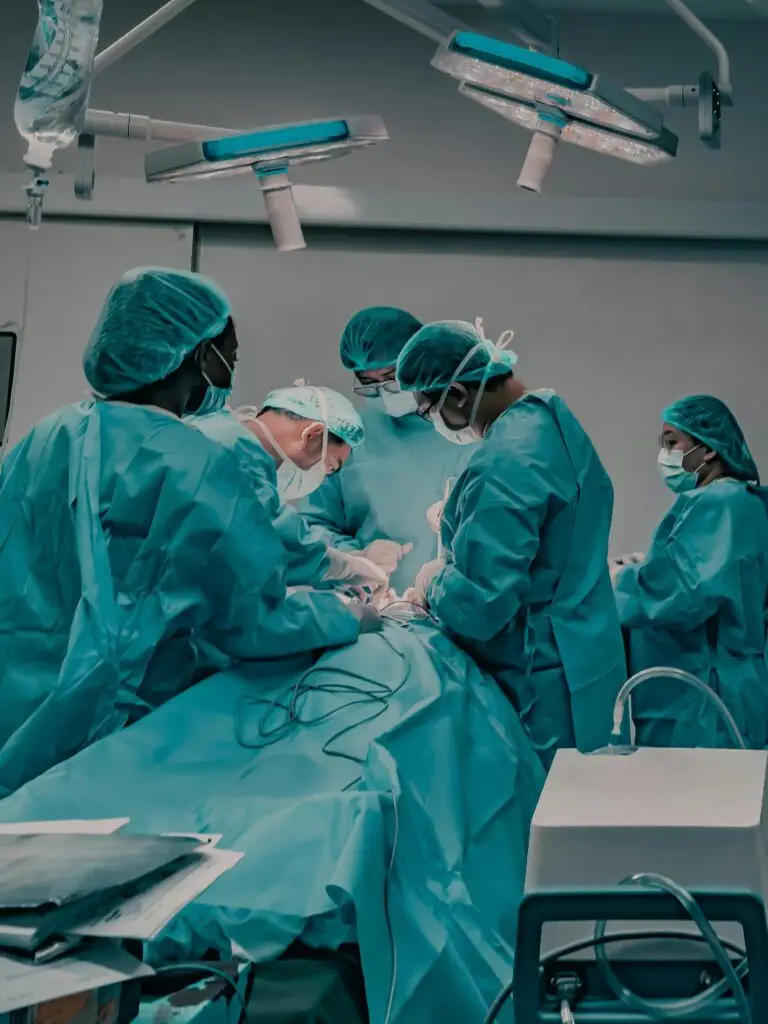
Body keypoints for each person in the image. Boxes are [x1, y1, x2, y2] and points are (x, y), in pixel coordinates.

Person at [0, 266, 379, 797]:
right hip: (109, 718)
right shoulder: (192, 461)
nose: (228, 377)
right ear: (201, 357)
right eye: (229, 358)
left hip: (14, 697)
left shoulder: (47, 434)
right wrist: (344, 616)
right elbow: (249, 622)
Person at [395, 318, 626, 768]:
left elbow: (483, 606)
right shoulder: (553, 421)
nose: (434, 422)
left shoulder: (502, 463)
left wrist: (433, 579)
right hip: (589, 658)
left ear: (458, 395)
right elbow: (551, 529)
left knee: (540, 825)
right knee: (589, 815)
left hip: (539, 682)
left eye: (429, 411)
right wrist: (462, 517)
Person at [613, 395, 768, 748]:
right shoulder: (736, 502)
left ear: (709, 448)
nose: (665, 455)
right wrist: (643, 568)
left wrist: (620, 580)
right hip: (710, 690)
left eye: (672, 443)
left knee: (699, 798)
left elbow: (683, 593)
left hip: (704, 696)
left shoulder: (721, 502)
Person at [299, 307, 474, 593]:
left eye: (393, 377)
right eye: (369, 383)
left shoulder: (469, 431)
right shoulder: (349, 437)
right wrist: (356, 555)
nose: (384, 392)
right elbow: (314, 526)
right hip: (373, 603)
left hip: (457, 607)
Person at [190, 387, 387, 589]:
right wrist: (347, 568)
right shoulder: (234, 453)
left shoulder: (221, 432)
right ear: (313, 434)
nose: (323, 476)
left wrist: (348, 559)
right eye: (330, 466)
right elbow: (277, 541)